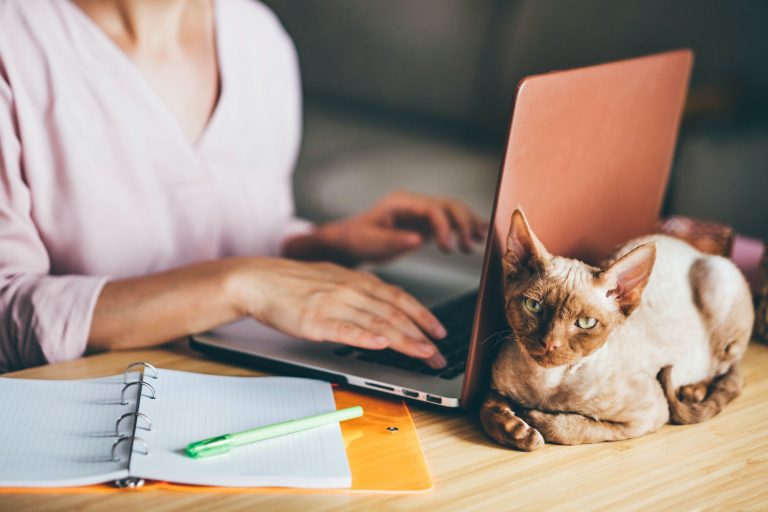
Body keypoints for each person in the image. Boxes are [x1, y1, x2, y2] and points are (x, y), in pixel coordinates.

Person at [0, 0, 487, 373]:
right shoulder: (15, 43)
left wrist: (318, 245)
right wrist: (241, 284)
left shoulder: (258, 35)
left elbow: (224, 233)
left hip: (246, 378)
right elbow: (8, 317)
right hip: (105, 399)